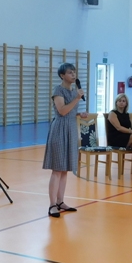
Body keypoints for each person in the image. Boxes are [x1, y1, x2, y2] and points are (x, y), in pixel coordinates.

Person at [42, 63, 85, 218]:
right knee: (57, 169)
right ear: (62, 75)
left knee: (65, 169)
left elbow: (70, 111)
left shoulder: (73, 91)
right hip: (60, 130)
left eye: (74, 72)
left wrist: (79, 114)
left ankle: (60, 202)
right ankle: (52, 205)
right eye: (70, 72)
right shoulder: (58, 91)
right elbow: (62, 111)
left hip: (71, 129)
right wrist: (77, 98)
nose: (73, 75)